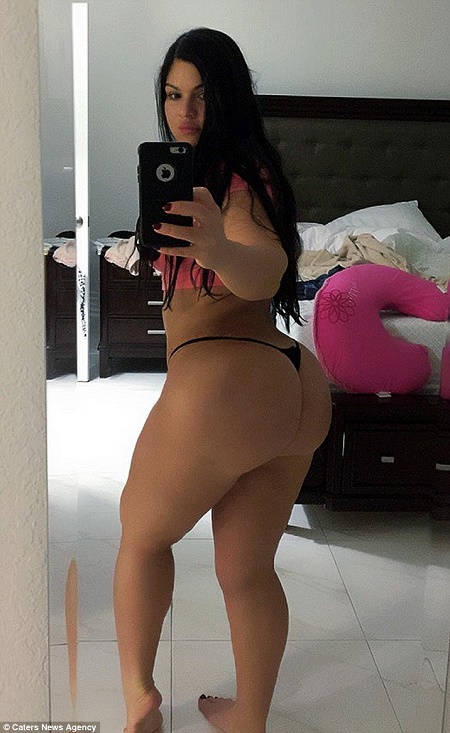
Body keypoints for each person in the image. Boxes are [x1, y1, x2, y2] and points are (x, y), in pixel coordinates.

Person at [113, 27, 331, 733]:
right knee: (246, 569)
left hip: (228, 387)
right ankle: (249, 717)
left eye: (203, 96)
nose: (185, 110)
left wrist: (217, 250)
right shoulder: (228, 176)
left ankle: (140, 696)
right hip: (295, 387)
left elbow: (265, 266)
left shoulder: (237, 182)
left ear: (229, 98)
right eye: (173, 94)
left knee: (141, 537)